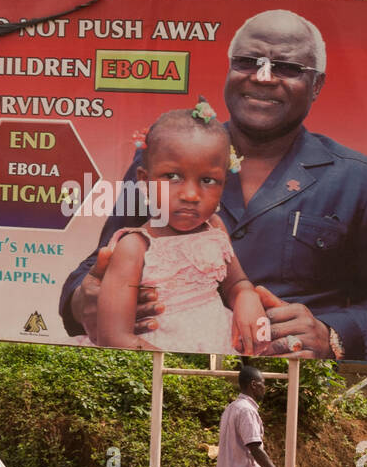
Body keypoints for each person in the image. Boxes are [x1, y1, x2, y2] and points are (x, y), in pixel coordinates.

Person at [60, 9, 367, 361]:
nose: (263, 77)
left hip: (286, 389)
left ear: (317, 85)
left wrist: (333, 334)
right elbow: (99, 263)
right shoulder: (159, 164)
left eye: (287, 68)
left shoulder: (357, 179)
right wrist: (85, 298)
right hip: (162, 379)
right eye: (247, 61)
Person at [88, 101, 268, 354]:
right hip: (157, 364)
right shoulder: (134, 247)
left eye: (208, 180)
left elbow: (235, 282)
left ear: (224, 185)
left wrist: (246, 296)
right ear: (144, 180)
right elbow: (114, 337)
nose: (191, 195)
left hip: (219, 348)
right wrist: (180, 369)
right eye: (172, 177)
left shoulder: (214, 229)